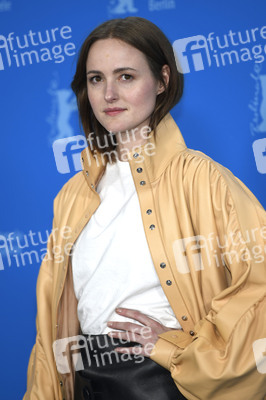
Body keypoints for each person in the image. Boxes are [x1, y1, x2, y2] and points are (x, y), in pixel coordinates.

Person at [24, 17, 266, 400]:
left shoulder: (202, 179)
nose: (108, 95)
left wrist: (175, 350)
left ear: (162, 80)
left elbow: (260, 289)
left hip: (160, 383)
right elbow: (50, 326)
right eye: (96, 79)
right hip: (86, 381)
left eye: (125, 77)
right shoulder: (72, 194)